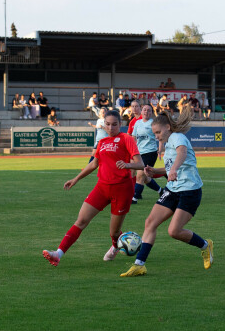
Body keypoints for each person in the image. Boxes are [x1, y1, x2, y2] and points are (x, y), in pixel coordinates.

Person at [42, 110, 145, 267]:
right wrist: (76, 179)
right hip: (102, 187)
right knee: (81, 220)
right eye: (108, 124)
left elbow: (141, 164)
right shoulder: (102, 142)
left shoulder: (126, 139)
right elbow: (94, 164)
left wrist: (128, 164)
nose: (111, 127)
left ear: (120, 124)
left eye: (114, 124)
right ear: (103, 124)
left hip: (122, 189)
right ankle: (58, 254)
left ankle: (117, 245)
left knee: (114, 232)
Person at [120, 108, 213, 277]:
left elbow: (182, 154)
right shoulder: (168, 143)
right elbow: (169, 168)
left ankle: (205, 246)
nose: (156, 136)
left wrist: (174, 169)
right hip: (173, 190)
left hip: (189, 191)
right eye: (154, 133)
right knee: (150, 222)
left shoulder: (177, 137)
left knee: (174, 231)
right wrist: (154, 171)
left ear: (168, 127)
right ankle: (139, 264)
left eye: (157, 132)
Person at [131, 104, 164, 204]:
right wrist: (132, 151)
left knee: (140, 175)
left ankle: (134, 199)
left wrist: (160, 150)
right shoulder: (137, 123)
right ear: (141, 111)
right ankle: (161, 191)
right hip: (139, 153)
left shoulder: (153, 123)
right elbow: (133, 138)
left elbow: (161, 137)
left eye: (149, 110)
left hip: (150, 152)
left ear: (151, 113)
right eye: (144, 110)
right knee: (145, 177)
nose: (146, 112)